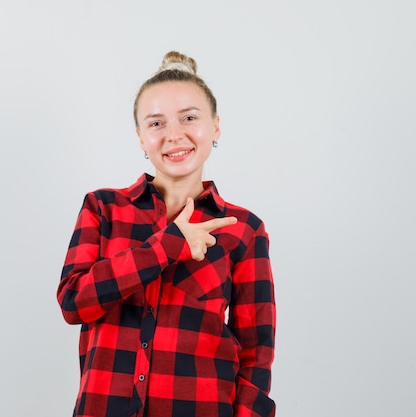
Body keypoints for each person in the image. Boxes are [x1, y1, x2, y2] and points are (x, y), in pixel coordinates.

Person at [58, 51, 276, 417]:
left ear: (216, 127)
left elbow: (257, 353)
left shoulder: (243, 230)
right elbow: (73, 302)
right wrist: (168, 244)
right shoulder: (103, 208)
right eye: (156, 124)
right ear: (141, 138)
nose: (174, 135)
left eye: (189, 118)